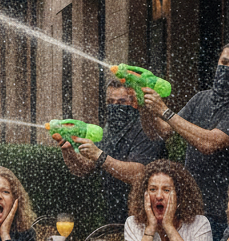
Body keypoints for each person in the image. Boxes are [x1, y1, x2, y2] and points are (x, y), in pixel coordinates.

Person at [142, 42, 229, 241]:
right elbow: (163, 130)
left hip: (227, 214)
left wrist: (164, 111)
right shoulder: (201, 99)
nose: (228, 69)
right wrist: (144, 106)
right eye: (224, 62)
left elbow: (209, 143)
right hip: (192, 210)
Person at [55, 79, 164, 225]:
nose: (114, 107)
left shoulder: (147, 129)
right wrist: (68, 150)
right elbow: (84, 168)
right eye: (110, 102)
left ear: (134, 103)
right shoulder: (109, 130)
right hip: (113, 213)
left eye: (121, 102)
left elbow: (139, 173)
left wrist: (100, 156)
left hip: (146, 215)